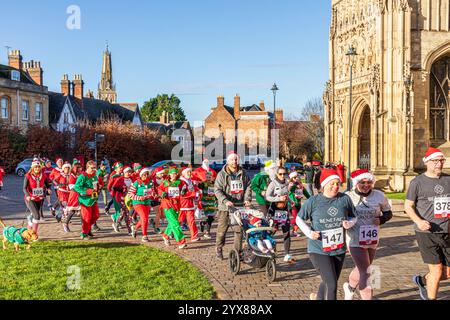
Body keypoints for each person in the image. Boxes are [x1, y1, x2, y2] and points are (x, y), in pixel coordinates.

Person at [296, 168, 356, 300]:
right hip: (318, 249)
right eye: (332, 183)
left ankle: (317, 297)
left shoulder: (344, 199)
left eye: (337, 184)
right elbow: (298, 219)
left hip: (338, 248)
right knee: (332, 284)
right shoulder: (313, 201)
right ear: (324, 184)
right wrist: (309, 233)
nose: (335, 186)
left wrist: (349, 223)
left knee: (328, 280)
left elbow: (354, 216)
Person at [405, 147, 450, 300]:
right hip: (426, 232)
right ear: (427, 162)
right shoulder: (417, 182)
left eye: (441, 160)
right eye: (435, 161)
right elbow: (408, 206)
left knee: (447, 273)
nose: (439, 164)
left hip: (447, 231)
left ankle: (422, 280)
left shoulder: (448, 179)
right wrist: (419, 221)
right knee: (437, 271)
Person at [343, 169, 393, 300]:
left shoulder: (379, 196)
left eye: (369, 182)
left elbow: (388, 213)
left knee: (364, 268)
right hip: (354, 238)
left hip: (371, 239)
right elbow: (340, 215)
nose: (366, 185)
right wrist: (345, 223)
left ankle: (349, 287)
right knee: (366, 271)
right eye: (362, 182)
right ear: (355, 183)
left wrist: (381, 219)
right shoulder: (347, 196)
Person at [214, 152, 252, 260]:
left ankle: (237, 252)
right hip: (225, 208)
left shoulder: (243, 173)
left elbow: (248, 186)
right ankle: (219, 248)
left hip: (238, 206)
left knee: (239, 230)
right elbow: (217, 190)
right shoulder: (222, 174)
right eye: (232, 160)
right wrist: (225, 201)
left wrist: (247, 199)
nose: (234, 162)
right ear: (228, 161)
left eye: (236, 159)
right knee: (222, 230)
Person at [266, 166, 295, 263]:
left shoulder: (287, 183)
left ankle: (287, 254)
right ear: (277, 174)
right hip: (274, 210)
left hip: (284, 211)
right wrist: (278, 199)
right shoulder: (273, 184)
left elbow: (286, 194)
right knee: (272, 231)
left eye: (284, 174)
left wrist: (290, 201)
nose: (282, 176)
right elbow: (268, 197)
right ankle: (266, 249)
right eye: (280, 174)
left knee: (286, 232)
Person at [158, 167, 187, 249]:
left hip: (177, 205)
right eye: (172, 173)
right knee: (175, 224)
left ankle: (165, 235)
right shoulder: (165, 182)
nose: (173, 175)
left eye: (175, 173)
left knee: (174, 222)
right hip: (167, 204)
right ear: (169, 174)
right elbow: (159, 189)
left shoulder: (180, 182)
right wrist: (162, 193)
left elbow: (185, 189)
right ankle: (181, 242)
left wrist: (184, 192)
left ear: (177, 174)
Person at [73, 160, 101, 239]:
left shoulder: (94, 175)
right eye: (92, 168)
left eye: (95, 168)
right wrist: (87, 191)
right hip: (85, 200)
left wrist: (99, 187)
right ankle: (84, 233)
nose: (94, 169)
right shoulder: (82, 176)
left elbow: (95, 185)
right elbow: (76, 187)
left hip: (93, 199)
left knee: (96, 215)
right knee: (87, 217)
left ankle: (88, 229)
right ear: (87, 167)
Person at [23, 160, 52, 237]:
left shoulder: (43, 175)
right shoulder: (28, 175)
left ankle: (28, 232)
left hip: (39, 198)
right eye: (35, 167)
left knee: (34, 215)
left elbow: (47, 184)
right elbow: (24, 188)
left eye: (39, 167)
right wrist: (28, 195)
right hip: (30, 199)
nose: (37, 168)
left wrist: (49, 189)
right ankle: (34, 235)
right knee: (37, 216)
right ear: (32, 167)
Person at [128, 168, 156, 242]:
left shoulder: (150, 183)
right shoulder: (136, 183)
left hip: (147, 203)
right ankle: (144, 236)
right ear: (141, 175)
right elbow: (130, 194)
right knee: (144, 218)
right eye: (144, 174)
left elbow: (152, 192)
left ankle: (135, 228)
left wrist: (153, 195)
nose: (146, 176)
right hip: (138, 203)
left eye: (147, 174)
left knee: (144, 219)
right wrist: (139, 197)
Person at [179, 167, 200, 242]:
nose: (189, 173)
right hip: (182, 205)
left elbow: (194, 189)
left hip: (190, 204)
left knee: (191, 221)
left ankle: (194, 236)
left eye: (190, 172)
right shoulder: (181, 182)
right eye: (187, 172)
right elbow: (183, 194)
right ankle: (169, 233)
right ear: (183, 173)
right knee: (179, 221)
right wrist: (194, 194)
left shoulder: (190, 181)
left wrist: (198, 190)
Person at [111, 166, 133, 234]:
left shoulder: (131, 179)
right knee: (126, 213)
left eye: (130, 172)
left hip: (129, 198)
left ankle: (116, 223)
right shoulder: (120, 179)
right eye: (127, 172)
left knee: (123, 213)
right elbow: (114, 188)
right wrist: (123, 190)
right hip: (121, 198)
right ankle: (130, 230)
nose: (129, 173)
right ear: (124, 172)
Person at [288, 171, 310, 237]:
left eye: (297, 176)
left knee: (299, 218)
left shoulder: (300, 185)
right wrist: (290, 186)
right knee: (297, 218)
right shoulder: (291, 185)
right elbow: (288, 190)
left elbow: (306, 193)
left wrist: (312, 199)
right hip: (292, 204)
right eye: (294, 177)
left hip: (298, 204)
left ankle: (294, 231)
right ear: (291, 179)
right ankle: (288, 225)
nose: (296, 178)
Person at [63, 161, 83, 232]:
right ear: (76, 169)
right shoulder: (72, 175)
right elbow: (71, 186)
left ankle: (84, 227)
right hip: (74, 195)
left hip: (80, 195)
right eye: (79, 168)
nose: (80, 169)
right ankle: (65, 223)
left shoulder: (80, 175)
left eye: (81, 168)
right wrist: (80, 187)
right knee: (72, 211)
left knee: (82, 212)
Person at [197, 170, 217, 239]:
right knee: (209, 217)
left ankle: (203, 223)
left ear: (212, 177)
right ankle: (207, 232)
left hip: (212, 202)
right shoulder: (204, 183)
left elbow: (217, 192)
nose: (208, 178)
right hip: (205, 202)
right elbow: (199, 186)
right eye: (207, 177)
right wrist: (198, 184)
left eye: (210, 177)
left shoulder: (215, 184)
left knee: (212, 218)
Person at [151, 167, 166, 233]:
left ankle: (153, 222)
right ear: (157, 174)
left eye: (163, 173)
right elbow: (152, 190)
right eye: (161, 173)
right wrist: (156, 196)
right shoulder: (153, 180)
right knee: (158, 213)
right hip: (154, 198)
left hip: (162, 198)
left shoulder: (164, 179)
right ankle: (156, 227)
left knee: (163, 215)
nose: (162, 175)